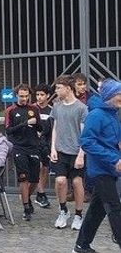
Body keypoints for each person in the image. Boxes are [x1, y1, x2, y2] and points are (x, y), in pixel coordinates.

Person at [72, 79, 121, 253]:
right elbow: (86, 141)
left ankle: (81, 245)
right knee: (115, 208)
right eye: (119, 94)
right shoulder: (96, 115)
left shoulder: (113, 114)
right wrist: (114, 157)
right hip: (100, 170)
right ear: (109, 96)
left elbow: (113, 139)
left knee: (97, 208)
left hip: (111, 169)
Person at [50, 75, 89, 230]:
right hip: (60, 150)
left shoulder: (81, 108)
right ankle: (63, 210)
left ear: (68, 88)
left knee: (77, 182)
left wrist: (81, 154)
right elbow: (55, 128)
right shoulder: (57, 106)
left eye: (58, 88)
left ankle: (78, 214)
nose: (56, 91)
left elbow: (84, 134)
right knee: (60, 181)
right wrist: (53, 148)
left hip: (75, 152)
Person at [5, 83, 43, 221]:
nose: (24, 99)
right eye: (21, 96)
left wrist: (35, 124)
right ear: (16, 96)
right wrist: (24, 123)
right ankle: (26, 207)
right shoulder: (11, 110)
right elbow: (8, 130)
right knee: (23, 178)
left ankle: (28, 198)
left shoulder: (34, 109)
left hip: (33, 146)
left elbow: (40, 127)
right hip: (19, 147)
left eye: (26, 96)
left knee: (34, 179)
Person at [33, 84, 53, 208]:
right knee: (38, 166)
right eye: (37, 95)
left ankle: (40, 194)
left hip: (46, 143)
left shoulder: (51, 110)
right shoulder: (32, 108)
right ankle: (41, 193)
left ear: (48, 96)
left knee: (45, 168)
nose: (39, 97)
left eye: (42, 95)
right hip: (34, 142)